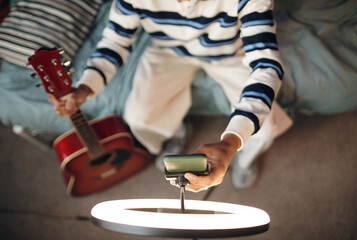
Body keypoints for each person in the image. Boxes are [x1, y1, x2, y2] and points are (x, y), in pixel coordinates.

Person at [49, 0, 292, 192]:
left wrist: (231, 143)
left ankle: (243, 158)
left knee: (265, 127)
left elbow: (266, 66)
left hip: (229, 53)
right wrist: (85, 87)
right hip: (169, 51)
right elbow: (115, 41)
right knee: (139, 118)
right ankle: (175, 129)